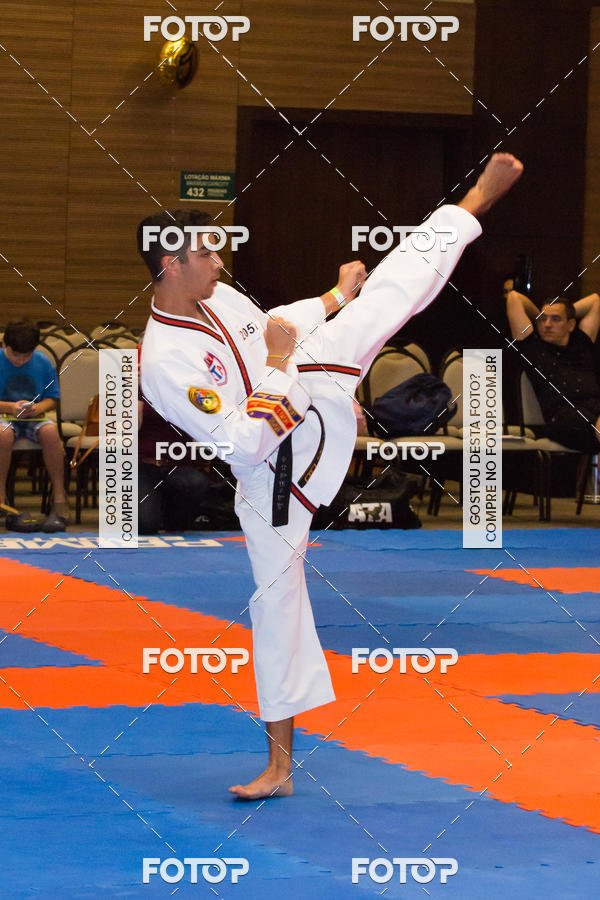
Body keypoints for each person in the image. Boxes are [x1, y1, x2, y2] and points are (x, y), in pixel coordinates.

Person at [139, 152, 523, 800]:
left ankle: (472, 203)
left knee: (382, 300)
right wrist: (283, 366)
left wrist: (337, 297)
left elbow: (275, 327)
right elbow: (242, 442)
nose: (220, 262)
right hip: (274, 468)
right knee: (276, 604)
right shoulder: (164, 361)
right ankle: (280, 767)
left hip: (304, 387)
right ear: (170, 265)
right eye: (207, 254)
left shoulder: (217, 296)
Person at [506, 289, 600, 451]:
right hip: (564, 417)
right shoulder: (532, 347)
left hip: (595, 408)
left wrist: (565, 310)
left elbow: (595, 301)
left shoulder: (581, 343)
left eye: (556, 319)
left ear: (571, 324)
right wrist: (541, 316)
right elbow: (514, 298)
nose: (547, 324)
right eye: (543, 319)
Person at [0, 319, 69, 530]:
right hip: (3, 416)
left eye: (26, 356)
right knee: (3, 434)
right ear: (4, 345)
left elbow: (52, 399)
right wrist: (9, 407)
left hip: (33, 416)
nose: (20, 360)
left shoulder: (43, 362)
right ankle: (1, 497)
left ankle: (59, 497)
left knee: (50, 433)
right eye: (15, 355)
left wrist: (38, 408)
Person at [137, 395, 212, 534]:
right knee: (145, 525)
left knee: (196, 483)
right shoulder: (137, 390)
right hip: (144, 464)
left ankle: (175, 524)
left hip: (178, 465)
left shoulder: (186, 389)